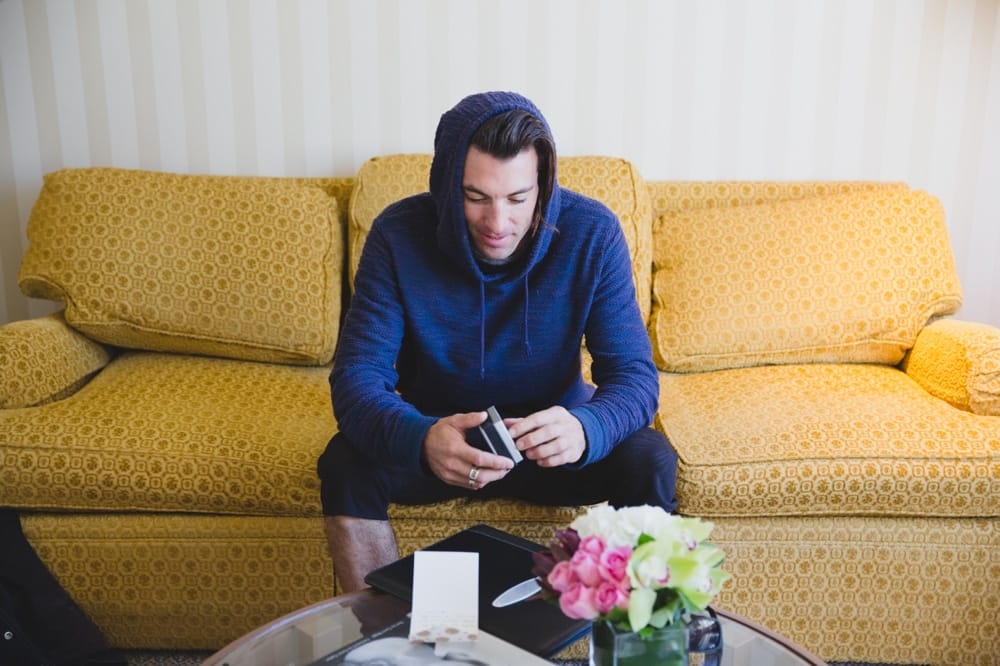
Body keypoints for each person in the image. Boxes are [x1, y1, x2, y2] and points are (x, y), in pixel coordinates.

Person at [318, 91, 678, 592]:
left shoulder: (592, 232)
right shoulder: (397, 236)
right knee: (344, 460)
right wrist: (420, 438)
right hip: (441, 440)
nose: (498, 223)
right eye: (475, 197)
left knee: (651, 458)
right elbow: (357, 379)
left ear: (543, 185)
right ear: (447, 185)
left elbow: (635, 377)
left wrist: (585, 426)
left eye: (518, 199)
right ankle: (379, 638)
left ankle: (637, 637)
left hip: (553, 446)